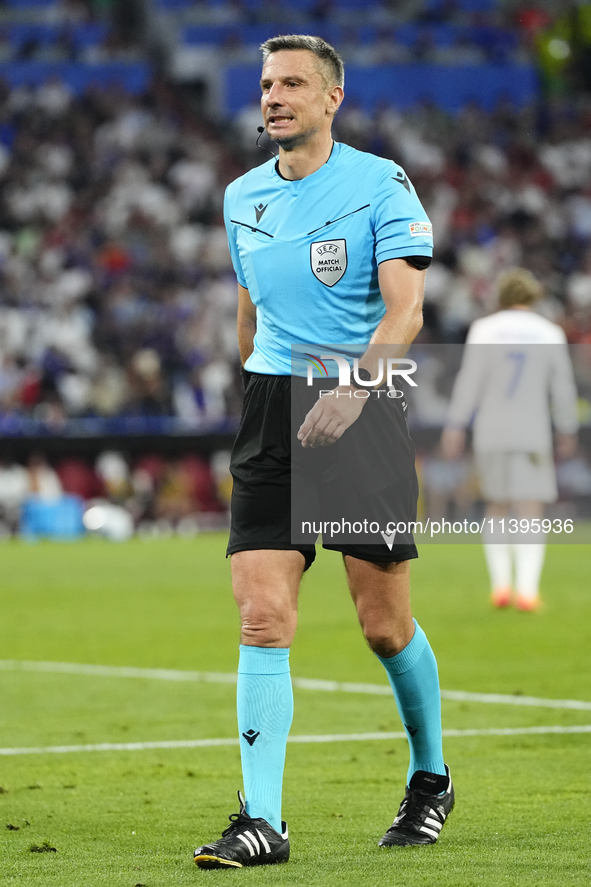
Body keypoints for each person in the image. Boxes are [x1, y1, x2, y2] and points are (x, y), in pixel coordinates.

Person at [193, 34, 454, 869]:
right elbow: (248, 311)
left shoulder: (380, 183)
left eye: (293, 83)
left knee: (382, 625)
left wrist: (355, 387)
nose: (275, 96)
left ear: (332, 98)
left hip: (361, 404)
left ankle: (429, 776)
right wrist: (263, 390)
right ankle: (260, 819)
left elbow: (404, 310)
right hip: (274, 409)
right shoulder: (240, 196)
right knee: (262, 613)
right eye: (267, 83)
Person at [441, 268, 579, 611]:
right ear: (533, 297)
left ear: (501, 297)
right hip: (531, 431)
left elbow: (469, 381)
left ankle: (500, 586)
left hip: (492, 431)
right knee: (530, 510)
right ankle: (527, 590)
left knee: (497, 507)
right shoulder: (549, 333)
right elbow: (562, 388)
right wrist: (567, 428)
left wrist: (455, 425)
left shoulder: (484, 330)